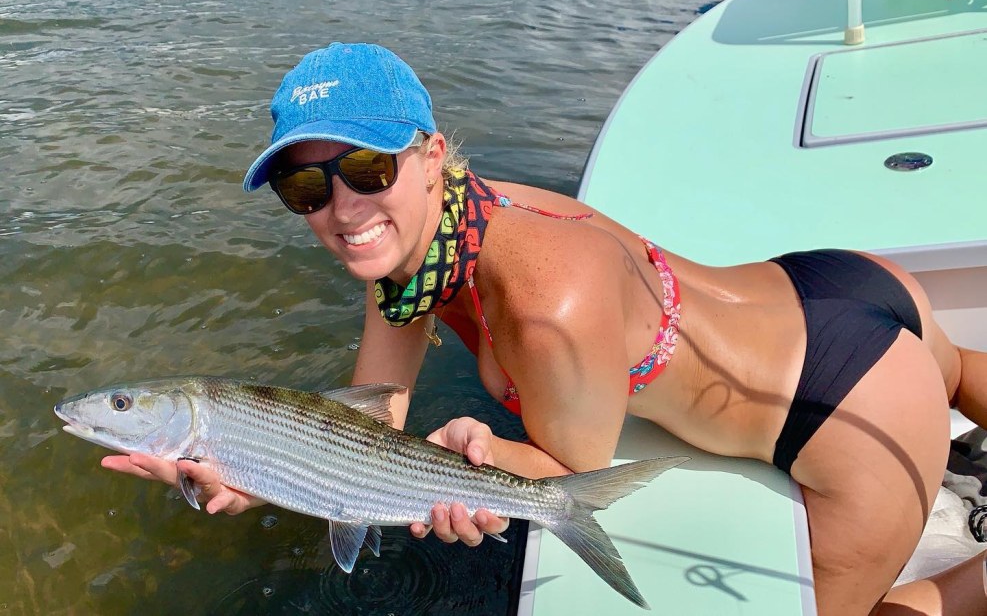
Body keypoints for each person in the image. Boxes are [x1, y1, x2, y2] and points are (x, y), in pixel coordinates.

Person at [103, 42, 987, 615]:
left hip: (840, 409)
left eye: (367, 168)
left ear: (431, 155)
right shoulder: (424, 243)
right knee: (953, 368)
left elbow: (572, 473)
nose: (341, 208)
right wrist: (251, 470)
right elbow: (370, 428)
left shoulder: (540, 304)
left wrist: (478, 452)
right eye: (304, 188)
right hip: (829, 284)